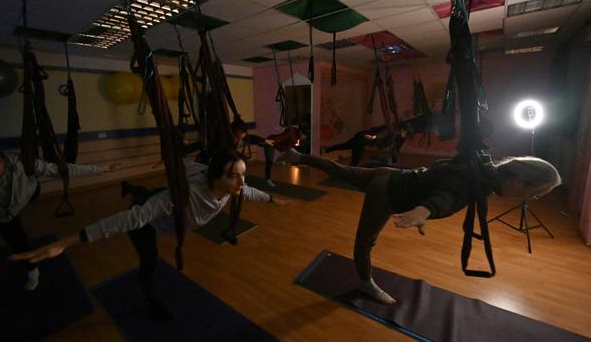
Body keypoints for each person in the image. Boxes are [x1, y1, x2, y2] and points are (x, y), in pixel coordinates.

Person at [11, 150, 288, 321]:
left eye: (243, 175)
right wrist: (64, 243)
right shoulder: (188, 193)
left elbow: (248, 191)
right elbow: (132, 219)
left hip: (166, 202)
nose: (241, 182)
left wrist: (272, 200)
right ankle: (153, 302)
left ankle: (131, 187)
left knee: (145, 195)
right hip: (151, 222)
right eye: (234, 176)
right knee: (149, 256)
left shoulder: (232, 187)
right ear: (216, 177)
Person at [276, 148, 561, 305]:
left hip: (390, 175)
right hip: (387, 192)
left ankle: (298, 156)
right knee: (365, 242)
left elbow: (449, 182)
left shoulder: (481, 163)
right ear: (520, 181)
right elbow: (447, 196)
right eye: (532, 194)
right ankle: (365, 284)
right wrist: (425, 210)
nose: (529, 199)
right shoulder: (472, 181)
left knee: (340, 171)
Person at [0, 142, 118, 291]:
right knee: (17, 241)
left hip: (27, 194)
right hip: (0, 216)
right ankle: (32, 270)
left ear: (4, 161)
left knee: (33, 189)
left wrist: (100, 169)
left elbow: (62, 169)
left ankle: (30, 194)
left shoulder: (21, 166)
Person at [184, 119, 306, 188]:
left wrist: (266, 142)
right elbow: (199, 146)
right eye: (236, 137)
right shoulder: (219, 139)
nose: (238, 140)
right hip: (204, 163)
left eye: (241, 138)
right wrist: (183, 149)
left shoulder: (243, 138)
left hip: (219, 164)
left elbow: (255, 139)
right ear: (230, 133)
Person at [324, 114, 427, 166]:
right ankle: (347, 174)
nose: (406, 136)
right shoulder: (394, 131)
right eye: (406, 133)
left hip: (364, 137)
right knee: (354, 159)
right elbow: (383, 133)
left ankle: (327, 150)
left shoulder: (400, 137)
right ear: (403, 130)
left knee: (345, 145)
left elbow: (396, 150)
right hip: (363, 138)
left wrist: (394, 162)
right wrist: (374, 137)